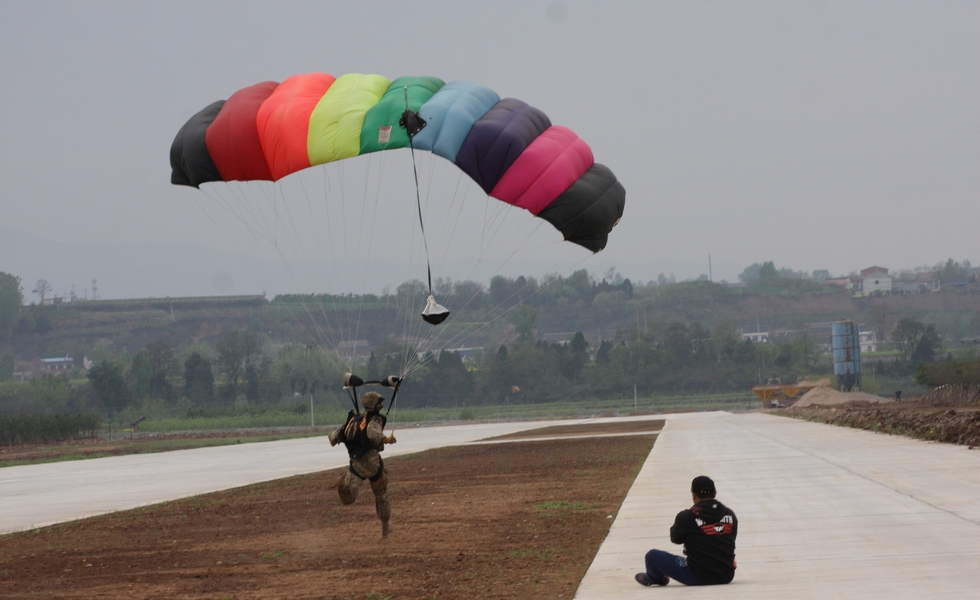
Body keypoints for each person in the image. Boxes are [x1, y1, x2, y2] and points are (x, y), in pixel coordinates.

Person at [635, 475, 737, 587]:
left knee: (652, 556)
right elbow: (730, 541)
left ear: (694, 495)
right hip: (726, 575)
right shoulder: (729, 514)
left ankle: (654, 578)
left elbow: (675, 539)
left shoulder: (687, 516)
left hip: (697, 575)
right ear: (715, 493)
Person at [328, 391, 396, 537]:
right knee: (381, 495)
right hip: (372, 465)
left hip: (356, 465)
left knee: (349, 498)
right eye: (379, 402)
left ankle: (342, 485)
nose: (381, 404)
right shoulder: (375, 420)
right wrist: (386, 439)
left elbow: (333, 438)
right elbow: (372, 433)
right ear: (374, 405)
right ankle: (385, 529)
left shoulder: (355, 420)